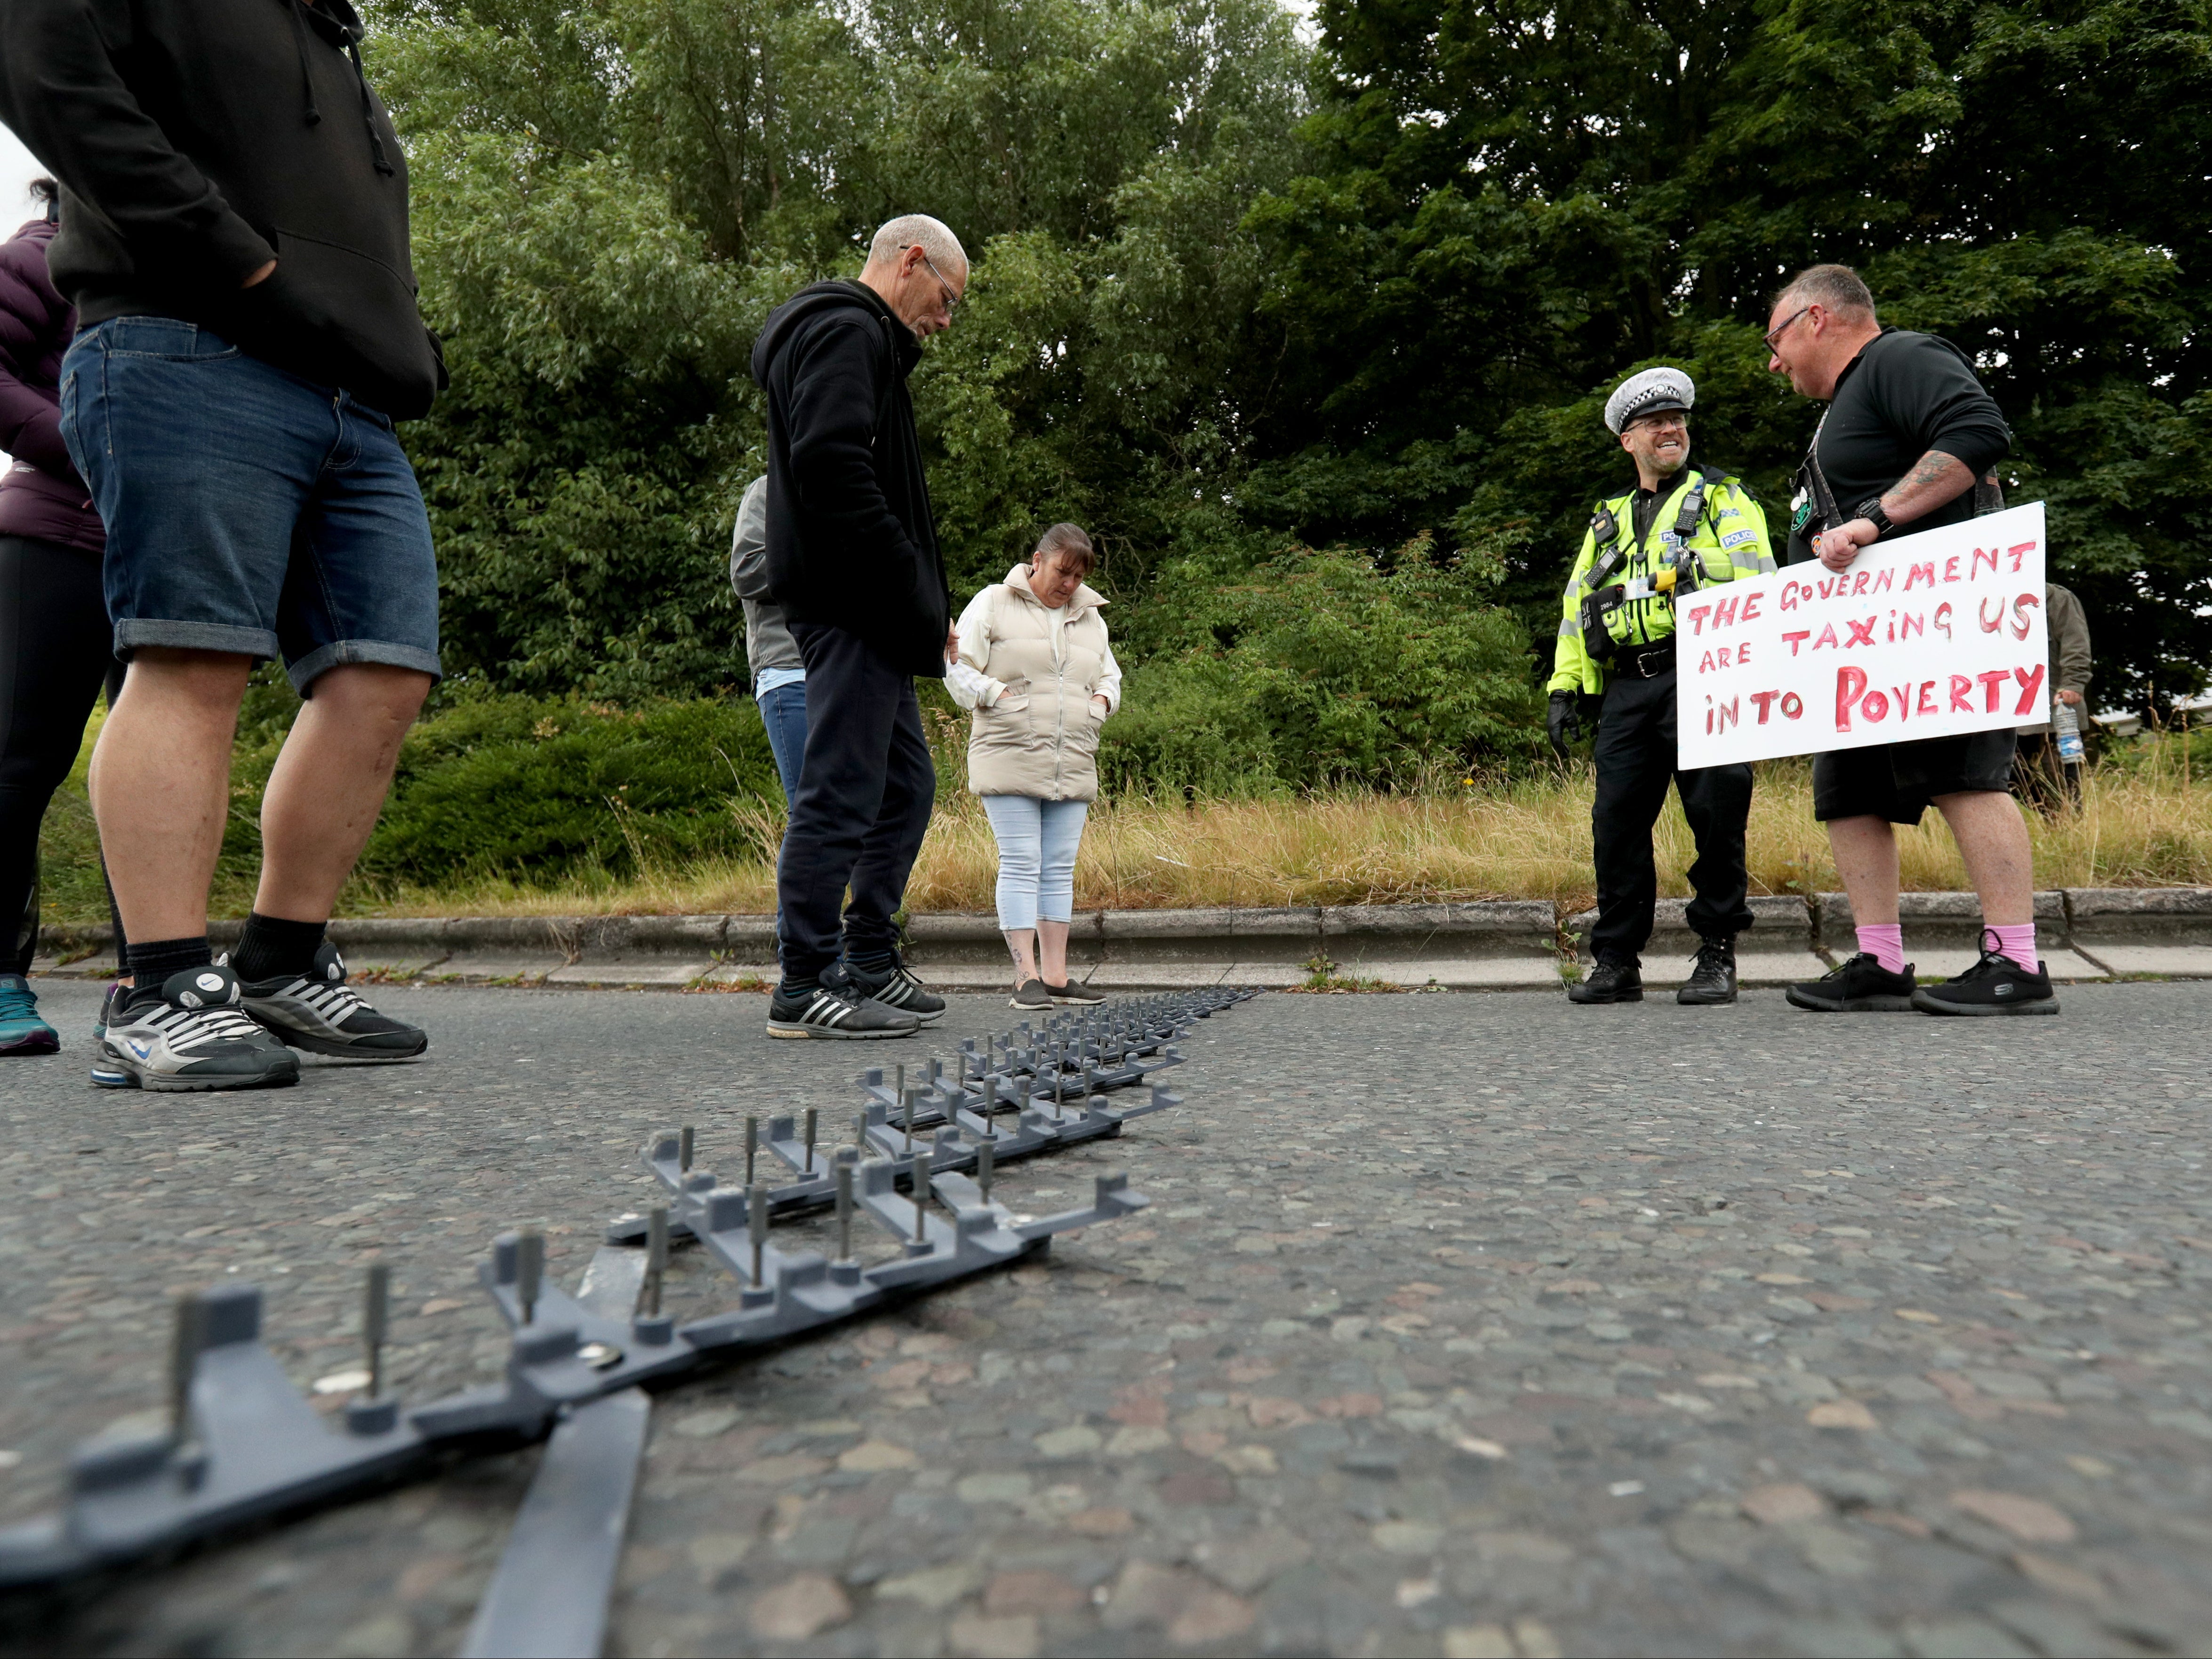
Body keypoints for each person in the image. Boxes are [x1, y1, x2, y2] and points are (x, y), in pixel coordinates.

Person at [4, 0, 449, 1089]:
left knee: (382, 672)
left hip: (350, 381)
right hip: (184, 336)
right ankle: (158, 985)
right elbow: (48, 68)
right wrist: (239, 262)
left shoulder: (321, 25)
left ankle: (281, 960)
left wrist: (402, 334)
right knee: (192, 654)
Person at [1764, 263, 2055, 1015]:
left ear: (1815, 320)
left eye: (1775, 340)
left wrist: (1875, 520)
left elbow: (1978, 432)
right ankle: (1879, 960)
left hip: (1936, 631)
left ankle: (2016, 962)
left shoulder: (1899, 357)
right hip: (1861, 648)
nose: (1774, 362)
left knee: (1965, 775)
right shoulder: (1843, 406)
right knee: (1848, 793)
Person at [751, 215, 964, 1039]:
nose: (944, 321)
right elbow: (831, 463)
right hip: (852, 602)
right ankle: (803, 982)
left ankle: (868, 954)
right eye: (946, 299)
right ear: (910, 262)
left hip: (868, 605)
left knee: (906, 785)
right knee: (840, 789)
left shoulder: (856, 336)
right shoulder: (846, 329)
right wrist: (911, 582)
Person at [1547, 368, 1774, 1006]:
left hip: (1706, 673)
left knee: (1716, 817)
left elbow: (1762, 581)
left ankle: (1718, 952)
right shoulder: (1607, 521)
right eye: (1654, 423)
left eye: (1677, 420)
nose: (1670, 429)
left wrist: (1697, 572)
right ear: (1629, 441)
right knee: (1615, 825)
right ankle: (1617, 958)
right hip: (1627, 686)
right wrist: (1566, 686)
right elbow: (1577, 608)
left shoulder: (1725, 498)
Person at [0, 181, 123, 1056]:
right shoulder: (39, 257)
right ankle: (3, 979)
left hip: (162, 550)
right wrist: (91, 443)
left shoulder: (177, 275)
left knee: (161, 759)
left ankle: (151, 978)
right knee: (21, 761)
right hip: (52, 541)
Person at [946, 524, 1120, 1010]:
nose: (1069, 584)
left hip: (1073, 757)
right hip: (1008, 750)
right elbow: (956, 664)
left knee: (1059, 868)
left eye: (1079, 575)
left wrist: (1103, 701)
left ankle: (1057, 977)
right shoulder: (993, 602)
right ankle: (1025, 978)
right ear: (1037, 560)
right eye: (1063, 572)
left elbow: (1110, 673)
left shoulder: (1090, 617)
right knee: (1022, 862)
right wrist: (994, 695)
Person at [729, 475, 807, 800]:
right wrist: (826, 555)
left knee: (871, 807)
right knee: (813, 810)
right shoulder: (768, 489)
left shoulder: (853, 489)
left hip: (846, 670)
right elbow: (746, 572)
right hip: (789, 671)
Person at [2014, 580, 2092, 811]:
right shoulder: (1990, 600)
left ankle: (2069, 828)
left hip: (2056, 707)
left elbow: (2076, 643)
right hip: (2009, 711)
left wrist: (2073, 683)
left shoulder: (2055, 598)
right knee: (2006, 771)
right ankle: (2050, 813)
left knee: (2061, 776)